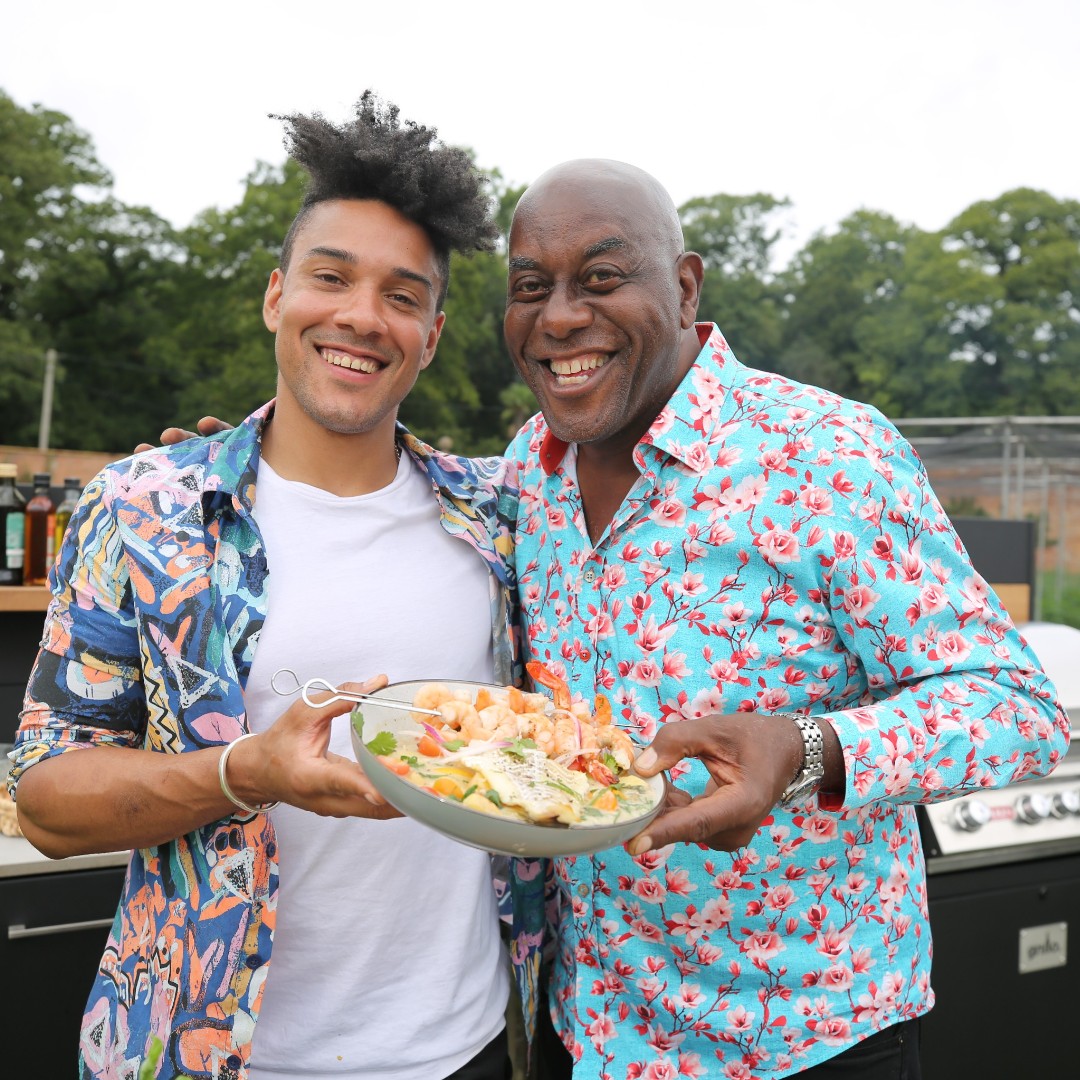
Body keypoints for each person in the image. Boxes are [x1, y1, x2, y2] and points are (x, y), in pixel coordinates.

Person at [6, 94, 544, 1080]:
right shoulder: (142, 511)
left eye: (401, 294)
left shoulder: (499, 517)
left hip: (465, 1048)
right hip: (211, 1055)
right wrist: (241, 774)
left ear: (430, 333)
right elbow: (43, 802)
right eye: (331, 277)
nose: (358, 316)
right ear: (275, 296)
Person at [500, 159, 1070, 1079]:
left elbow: (1016, 710)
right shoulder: (530, 467)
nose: (561, 316)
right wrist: (267, 468)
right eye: (532, 287)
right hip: (593, 1027)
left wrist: (806, 753)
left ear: (684, 288)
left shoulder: (828, 454)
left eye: (602, 279)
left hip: (807, 1040)